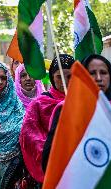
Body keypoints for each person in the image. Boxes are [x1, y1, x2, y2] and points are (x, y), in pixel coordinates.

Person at [42, 54, 111, 188]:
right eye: (92, 73)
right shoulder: (66, 111)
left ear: (110, 76)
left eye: (103, 73)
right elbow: (51, 157)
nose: (99, 78)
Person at [20, 54, 75, 184]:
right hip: (48, 166)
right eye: (59, 77)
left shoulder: (84, 101)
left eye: (70, 76)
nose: (65, 82)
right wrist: (52, 153)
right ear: (52, 77)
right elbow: (29, 134)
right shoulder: (39, 103)